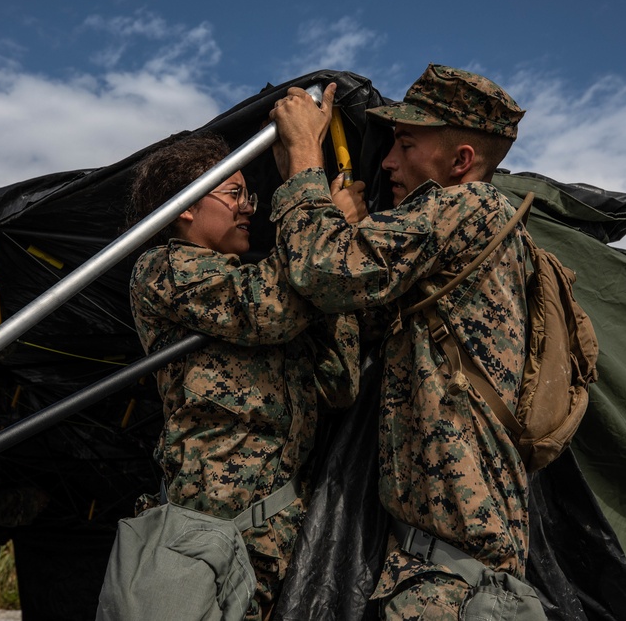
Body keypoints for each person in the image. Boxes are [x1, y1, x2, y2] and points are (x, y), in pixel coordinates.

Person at [269, 65, 546, 619]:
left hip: (458, 585)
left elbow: (320, 268)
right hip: (442, 573)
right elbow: (361, 318)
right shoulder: (481, 235)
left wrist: (303, 162)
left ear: (461, 162)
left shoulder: (468, 207)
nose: (388, 162)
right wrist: (351, 226)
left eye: (406, 143)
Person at [127, 132, 362, 619]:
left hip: (282, 540)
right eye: (235, 194)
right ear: (187, 207)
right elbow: (268, 306)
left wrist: (335, 273)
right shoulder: (163, 268)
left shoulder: (262, 287)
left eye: (247, 195)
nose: (248, 207)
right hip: (210, 538)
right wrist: (327, 227)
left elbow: (340, 383)